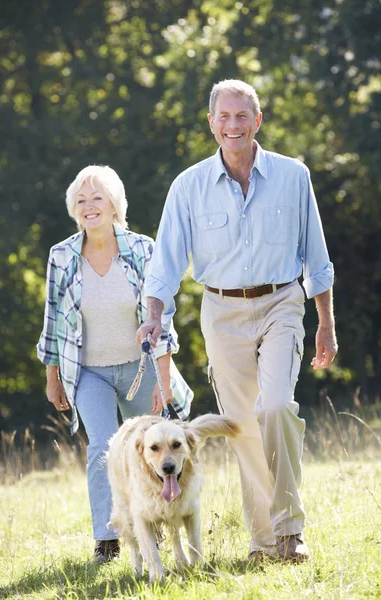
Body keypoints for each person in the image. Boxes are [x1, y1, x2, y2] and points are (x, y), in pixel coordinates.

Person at [137, 80, 338, 563]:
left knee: (274, 409)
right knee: (244, 427)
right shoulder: (188, 186)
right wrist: (153, 316)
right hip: (221, 312)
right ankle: (264, 542)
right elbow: (164, 264)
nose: (233, 125)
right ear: (211, 123)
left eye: (242, 116)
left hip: (282, 303)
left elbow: (317, 257)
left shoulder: (294, 177)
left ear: (257, 121)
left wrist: (326, 323)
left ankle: (290, 531)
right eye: (223, 117)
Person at [37, 165, 193, 564]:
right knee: (103, 452)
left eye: (98, 198)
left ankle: (152, 527)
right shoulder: (62, 256)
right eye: (82, 200)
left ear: (115, 205)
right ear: (74, 208)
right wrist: (52, 376)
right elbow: (52, 320)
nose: (90, 207)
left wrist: (163, 380)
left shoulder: (142, 249)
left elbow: (162, 320)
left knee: (153, 454)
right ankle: (107, 539)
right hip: (89, 372)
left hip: (139, 370)